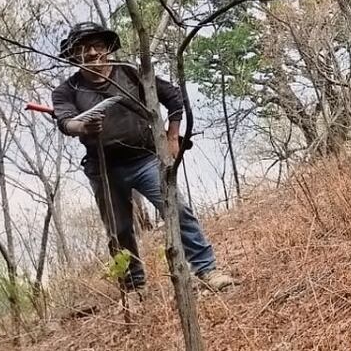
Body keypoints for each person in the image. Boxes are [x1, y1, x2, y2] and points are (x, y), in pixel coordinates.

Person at [51, 22, 237, 292]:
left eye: (97, 46)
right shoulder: (67, 90)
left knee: (177, 209)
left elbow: (173, 98)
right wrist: (84, 126)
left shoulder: (131, 73)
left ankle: (207, 270)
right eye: (82, 48)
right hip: (103, 169)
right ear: (74, 55)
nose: (91, 53)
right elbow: (66, 122)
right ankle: (134, 289)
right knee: (119, 230)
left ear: (107, 48)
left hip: (145, 158)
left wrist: (173, 138)